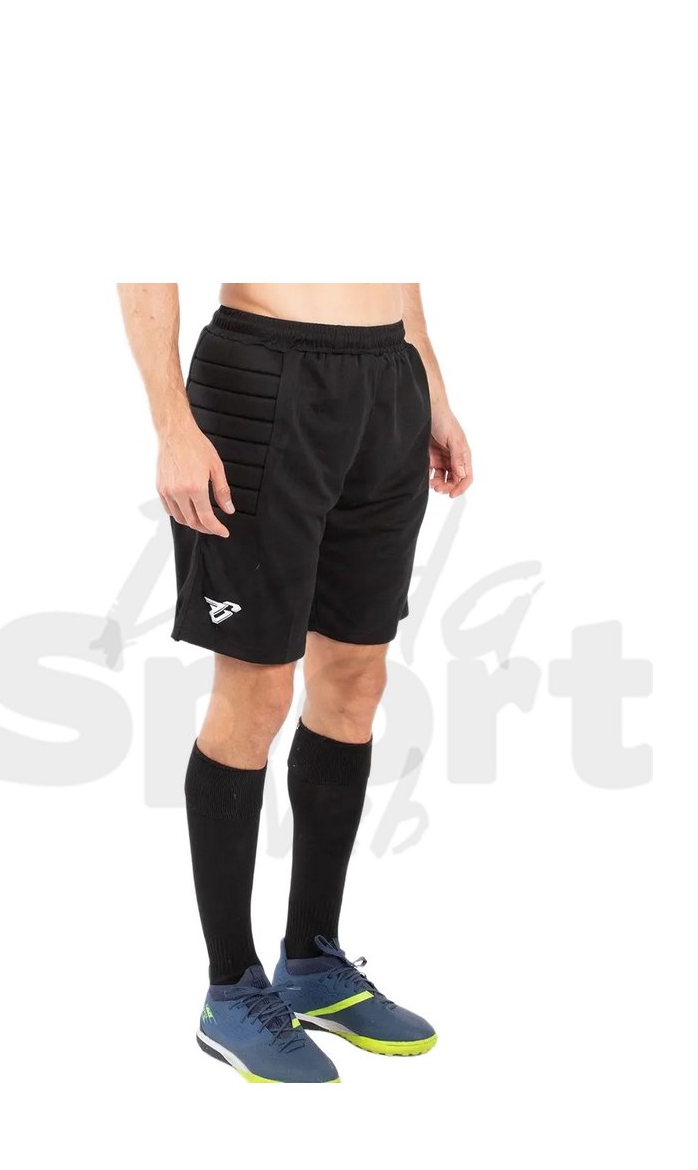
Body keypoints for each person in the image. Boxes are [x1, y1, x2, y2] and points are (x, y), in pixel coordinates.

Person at [118, 284, 473, 1083]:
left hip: (389, 383)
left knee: (356, 683)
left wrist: (432, 390)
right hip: (262, 377)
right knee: (259, 694)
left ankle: (312, 965)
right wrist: (173, 426)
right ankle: (231, 990)